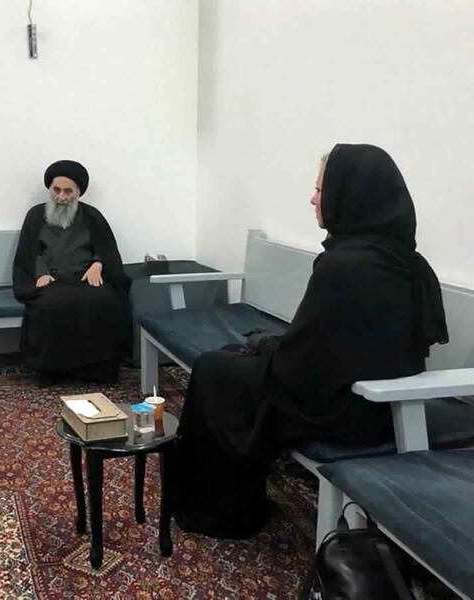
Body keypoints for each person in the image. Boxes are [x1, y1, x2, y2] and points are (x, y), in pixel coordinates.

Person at [173, 143, 448, 538]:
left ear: (349, 194)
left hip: (348, 411)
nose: (313, 197)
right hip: (382, 405)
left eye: (321, 187)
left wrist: (265, 347)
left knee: (215, 370)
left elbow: (301, 368)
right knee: (236, 360)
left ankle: (222, 510)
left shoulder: (346, 264)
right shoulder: (403, 260)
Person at [12, 160, 130, 384]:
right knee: (50, 305)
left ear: (78, 192)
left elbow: (105, 248)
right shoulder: (36, 215)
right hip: (51, 280)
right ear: (49, 189)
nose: (61, 197)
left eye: (68, 191)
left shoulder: (92, 215)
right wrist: (40, 272)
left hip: (86, 278)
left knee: (105, 300)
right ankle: (51, 372)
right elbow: (29, 252)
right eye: (56, 190)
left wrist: (98, 264)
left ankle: (97, 371)